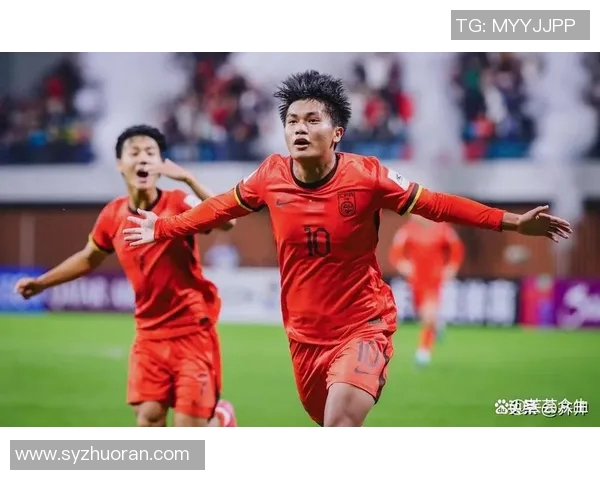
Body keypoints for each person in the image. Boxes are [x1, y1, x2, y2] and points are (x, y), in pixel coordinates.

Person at [122, 71, 572, 427]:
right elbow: (219, 208)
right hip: (303, 336)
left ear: (336, 133)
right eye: (292, 121)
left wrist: (512, 221)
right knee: (326, 420)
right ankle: (223, 420)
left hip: (363, 325)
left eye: (311, 120)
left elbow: (436, 204)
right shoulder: (269, 176)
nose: (300, 128)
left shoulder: (368, 175)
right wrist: (164, 227)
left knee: (339, 424)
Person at [14, 125, 237, 428]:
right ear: (120, 164)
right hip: (148, 333)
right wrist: (41, 283)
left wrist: (189, 178)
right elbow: (89, 258)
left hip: (191, 330)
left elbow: (227, 223)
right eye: (134, 152)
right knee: (148, 420)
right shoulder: (113, 215)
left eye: (150, 153)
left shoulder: (179, 201)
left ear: (161, 164)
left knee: (189, 436)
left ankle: (221, 418)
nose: (143, 158)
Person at [389, 215, 465, 365]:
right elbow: (396, 251)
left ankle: (423, 351)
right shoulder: (407, 230)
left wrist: (452, 266)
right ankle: (437, 326)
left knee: (428, 314)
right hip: (416, 281)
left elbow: (457, 248)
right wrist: (402, 264)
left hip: (434, 280)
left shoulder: (444, 229)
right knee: (424, 315)